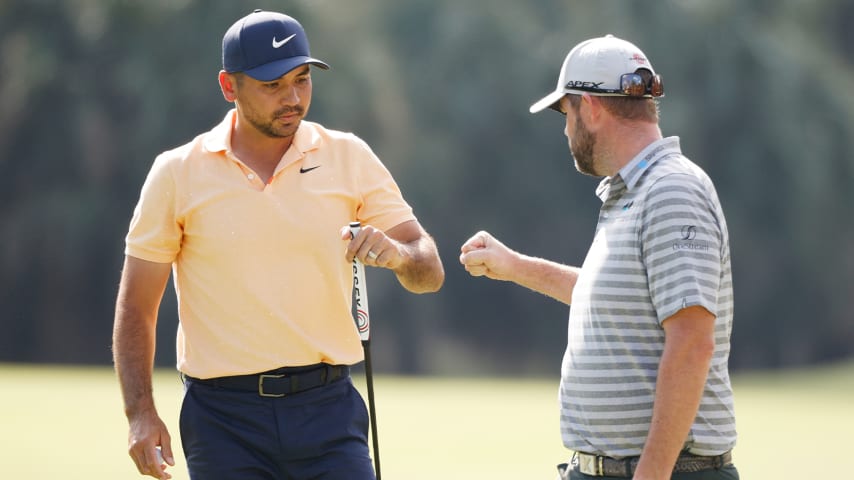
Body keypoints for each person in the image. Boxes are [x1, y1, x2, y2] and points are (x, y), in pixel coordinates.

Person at [112, 9, 444, 480]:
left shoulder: (348, 156)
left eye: (302, 80)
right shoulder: (177, 172)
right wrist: (140, 414)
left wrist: (398, 255)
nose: (292, 98)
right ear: (230, 87)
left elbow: (429, 269)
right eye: (272, 85)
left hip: (328, 411)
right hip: (222, 420)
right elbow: (137, 307)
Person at [459, 35, 738, 480]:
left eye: (566, 113)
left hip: (667, 472)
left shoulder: (671, 191)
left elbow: (692, 342)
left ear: (589, 107)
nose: (566, 129)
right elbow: (613, 300)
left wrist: (650, 474)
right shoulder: (630, 193)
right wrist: (514, 266)